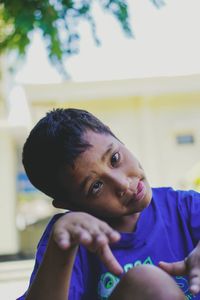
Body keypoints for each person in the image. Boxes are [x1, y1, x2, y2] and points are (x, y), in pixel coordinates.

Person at [17, 108, 200, 300]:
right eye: (95, 186)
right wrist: (60, 250)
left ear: (116, 137)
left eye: (114, 158)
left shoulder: (184, 208)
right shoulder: (68, 242)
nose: (122, 184)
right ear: (69, 204)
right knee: (147, 282)